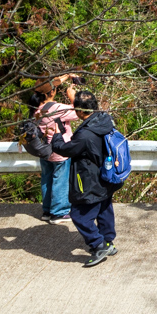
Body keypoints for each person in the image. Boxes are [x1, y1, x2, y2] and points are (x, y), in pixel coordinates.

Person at [49, 89, 120, 267]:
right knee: (104, 209)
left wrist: (57, 135)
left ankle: (98, 245)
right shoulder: (105, 120)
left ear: (80, 111)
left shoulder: (85, 134)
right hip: (106, 175)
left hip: (89, 180)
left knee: (79, 215)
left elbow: (66, 150)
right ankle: (108, 242)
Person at [31, 75, 79, 224]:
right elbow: (79, 112)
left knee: (47, 178)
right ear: (51, 92)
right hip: (60, 149)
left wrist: (67, 76)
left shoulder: (36, 108)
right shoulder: (56, 108)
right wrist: (72, 97)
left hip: (45, 149)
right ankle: (59, 212)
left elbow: (50, 85)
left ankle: (47, 210)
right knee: (60, 179)